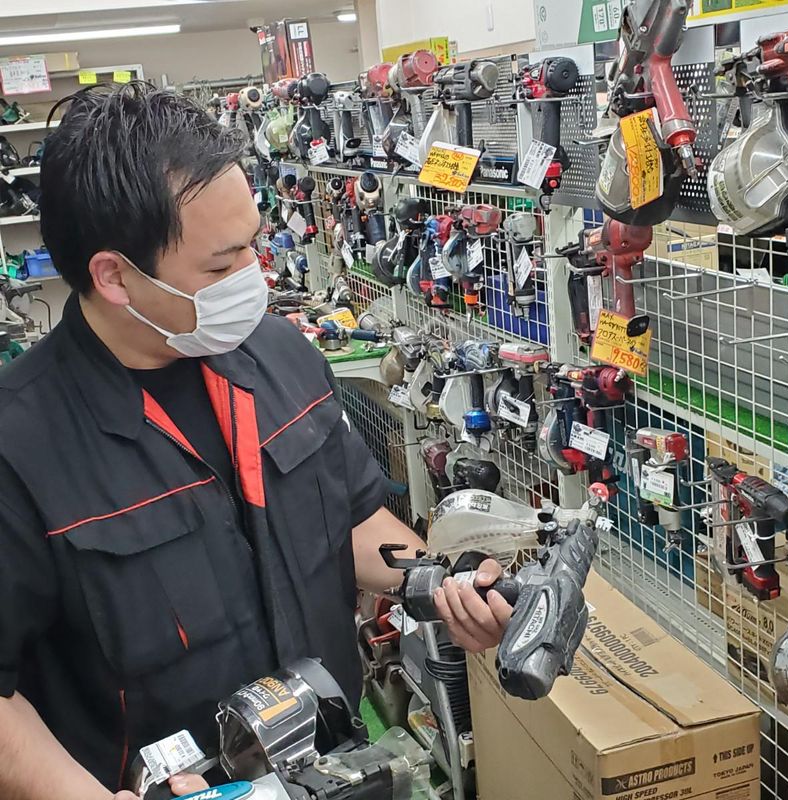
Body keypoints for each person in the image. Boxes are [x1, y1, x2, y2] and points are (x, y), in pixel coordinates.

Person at [0, 83, 513, 800]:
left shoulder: (280, 356)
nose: (254, 274)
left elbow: (350, 519)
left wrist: (439, 582)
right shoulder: (20, 448)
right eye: (221, 265)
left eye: (253, 242)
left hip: (330, 768)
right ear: (114, 276)